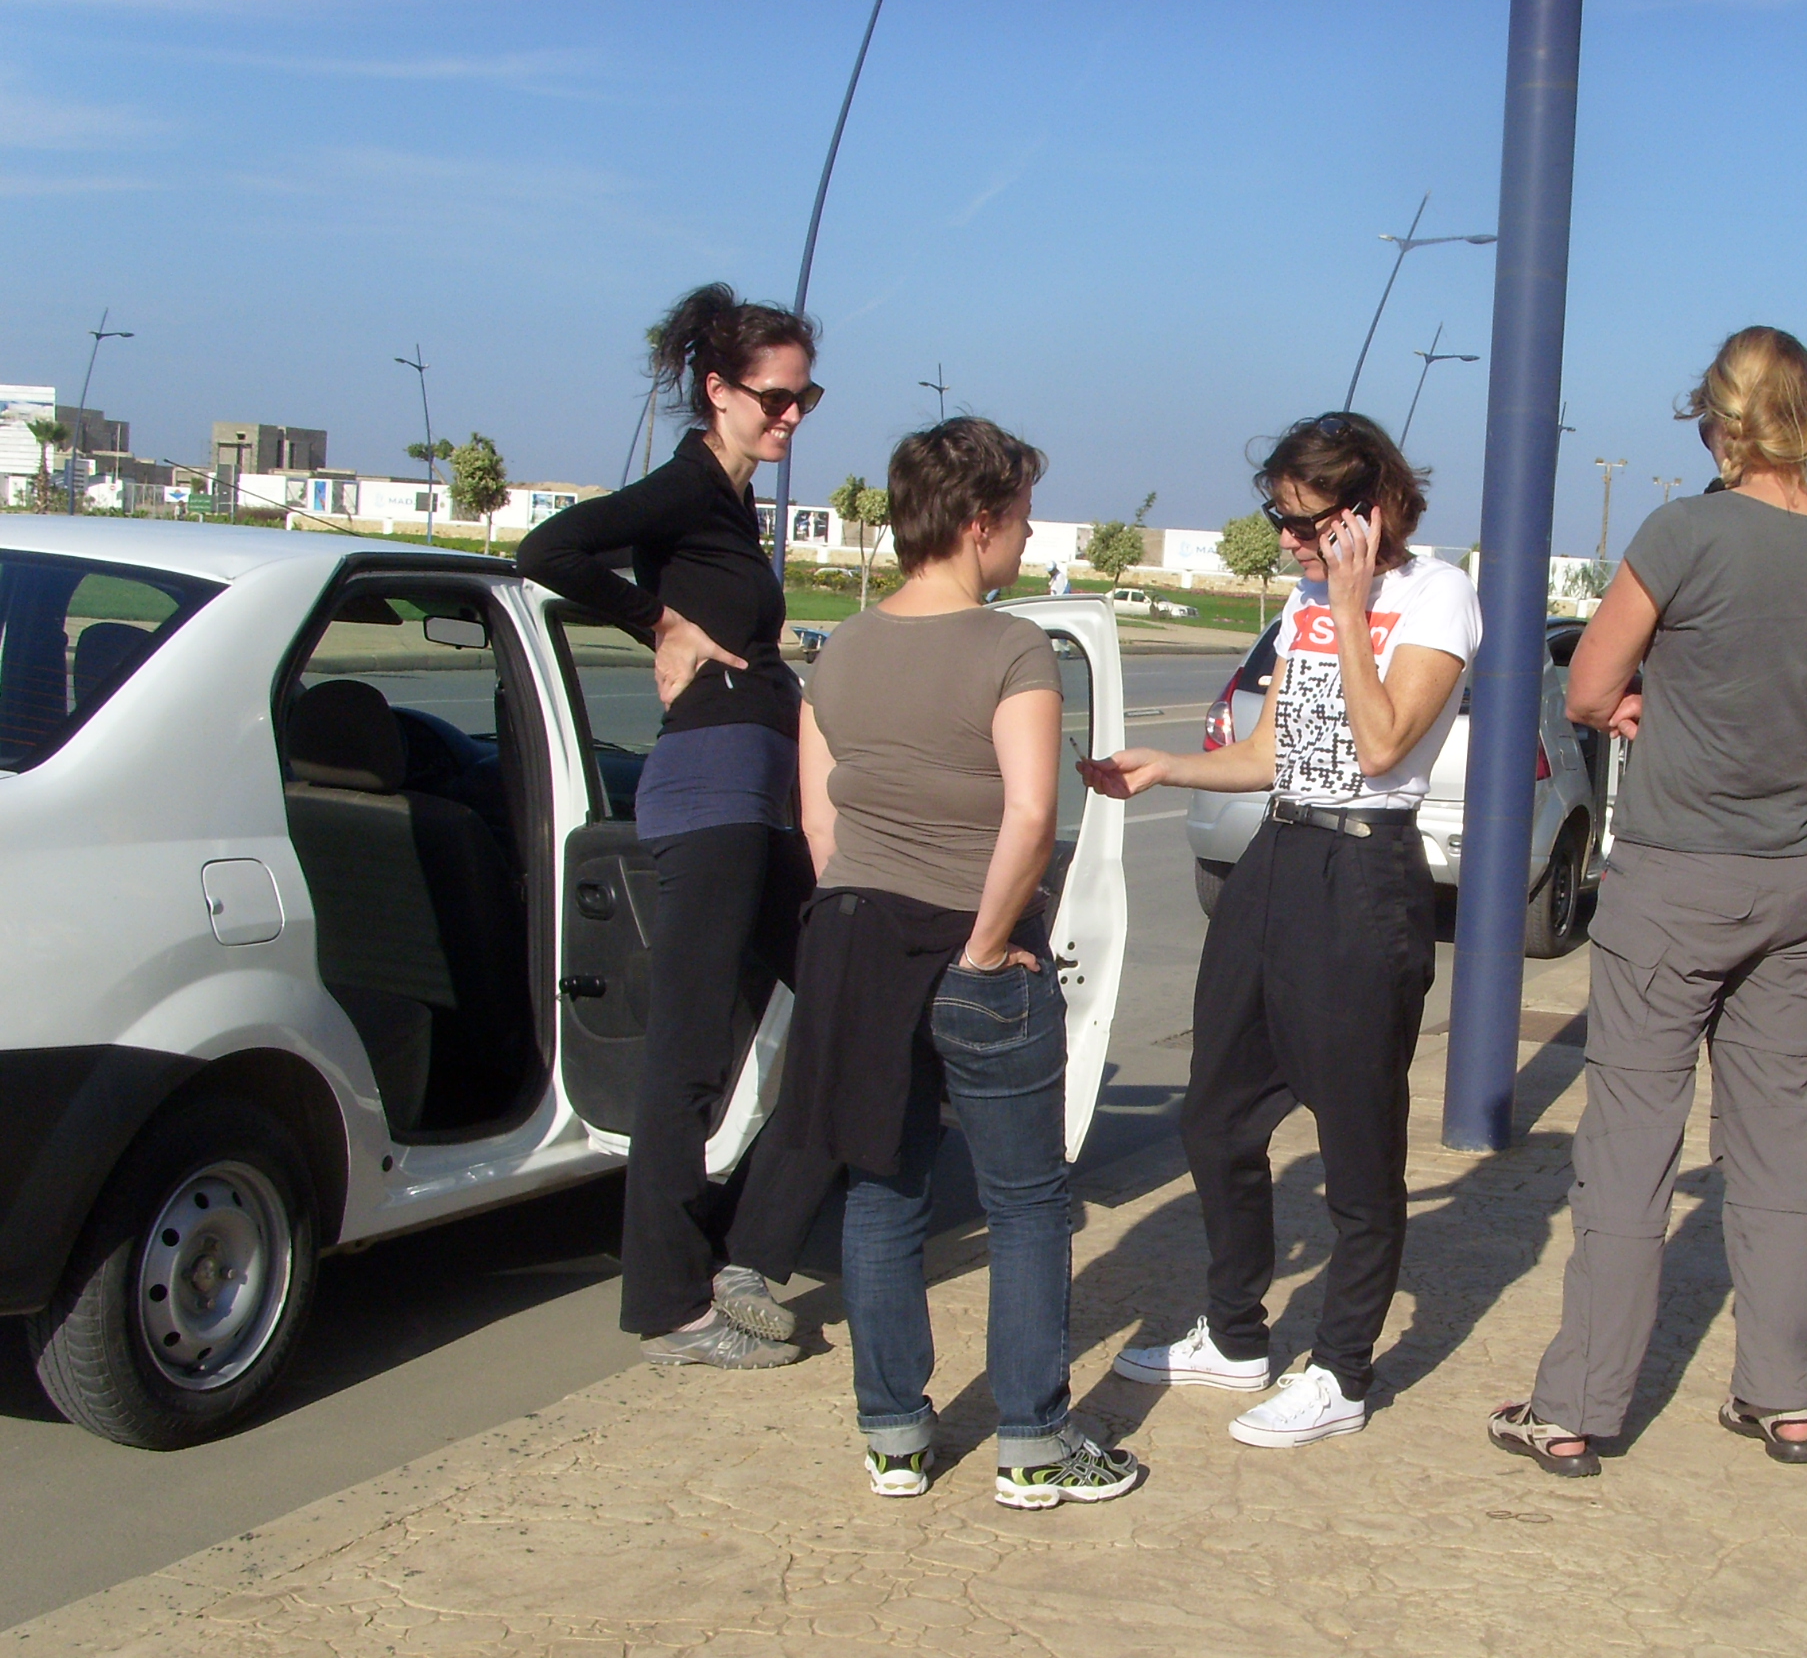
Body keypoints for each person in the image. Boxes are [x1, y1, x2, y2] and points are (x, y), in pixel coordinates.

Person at [1489, 326, 1807, 1479]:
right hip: (1795, 880)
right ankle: (1786, 1397)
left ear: (1723, 422)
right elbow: (1794, 687)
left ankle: (1577, 1407)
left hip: (1675, 878)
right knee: (1780, 1146)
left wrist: (1633, 707)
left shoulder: (1683, 532)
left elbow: (1588, 686)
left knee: (1629, 1147)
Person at [1081, 413, 1479, 1448]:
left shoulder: (1435, 595)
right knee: (1216, 1115)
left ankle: (1342, 1373)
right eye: (1281, 521)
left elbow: (1383, 744)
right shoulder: (1305, 599)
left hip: (1367, 872)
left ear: (1369, 511)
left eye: (1308, 524)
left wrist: (1348, 606)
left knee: (1356, 1139)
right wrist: (1168, 768)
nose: (1292, 543)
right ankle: (1234, 1333)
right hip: (1279, 856)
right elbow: (1273, 753)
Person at [776, 417, 1143, 1510]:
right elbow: (1032, 814)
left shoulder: (841, 648)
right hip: (974, 952)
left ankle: (894, 1436)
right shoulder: (1011, 647)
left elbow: (820, 822)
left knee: (882, 1190)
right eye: (1022, 518)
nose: (1027, 540)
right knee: (1025, 1203)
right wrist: (985, 944)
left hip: (856, 941)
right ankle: (1033, 1442)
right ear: (980, 523)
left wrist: (868, 913)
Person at [516, 283, 837, 1370]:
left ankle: (738, 1250)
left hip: (758, 794)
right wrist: (659, 621)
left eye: (805, 398)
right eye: (775, 397)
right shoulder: (689, 487)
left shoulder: (731, 505)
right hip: (711, 792)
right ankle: (670, 1308)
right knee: (689, 1055)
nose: (791, 416)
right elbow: (549, 551)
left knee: (847, 1003)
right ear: (718, 390)